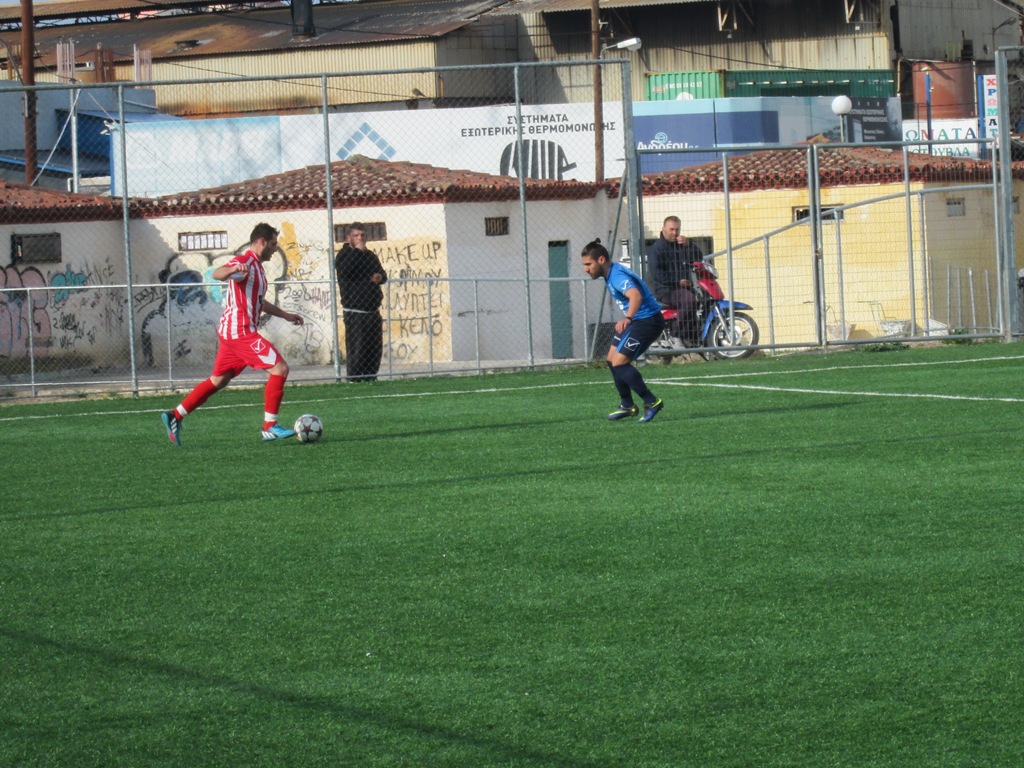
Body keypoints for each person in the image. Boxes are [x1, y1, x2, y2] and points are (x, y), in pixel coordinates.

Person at [160, 223, 305, 445]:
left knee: (218, 381)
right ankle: (269, 427)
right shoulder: (245, 261)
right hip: (240, 333)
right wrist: (232, 270)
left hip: (232, 333)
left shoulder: (257, 267)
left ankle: (175, 415)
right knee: (280, 368)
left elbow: (258, 301)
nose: (276, 249)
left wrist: (285, 314)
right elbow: (218, 273)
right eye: (274, 244)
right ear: (261, 242)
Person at [581, 239, 665, 423]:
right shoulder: (611, 273)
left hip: (647, 321)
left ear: (601, 260)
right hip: (637, 321)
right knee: (611, 360)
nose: (586, 269)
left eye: (588, 264)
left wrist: (628, 318)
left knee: (620, 363)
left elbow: (635, 295)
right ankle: (627, 404)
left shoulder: (617, 276)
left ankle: (652, 401)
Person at [335, 223, 388, 382]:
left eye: (362, 236)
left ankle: (371, 377)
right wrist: (357, 250)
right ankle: (355, 379)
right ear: (349, 237)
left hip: (372, 310)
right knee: (357, 349)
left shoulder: (370, 255)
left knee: (373, 348)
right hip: (355, 312)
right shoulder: (344, 255)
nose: (360, 239)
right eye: (356, 236)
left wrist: (379, 278)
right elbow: (345, 271)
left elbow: (383, 275)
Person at [648, 215, 704, 342]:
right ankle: (676, 336)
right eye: (671, 229)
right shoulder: (657, 249)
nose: (675, 233)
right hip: (666, 291)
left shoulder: (681, 245)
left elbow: (698, 258)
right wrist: (677, 282)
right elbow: (657, 274)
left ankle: (695, 338)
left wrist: (689, 245)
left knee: (704, 300)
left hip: (684, 288)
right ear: (663, 229)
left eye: (677, 229)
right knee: (688, 299)